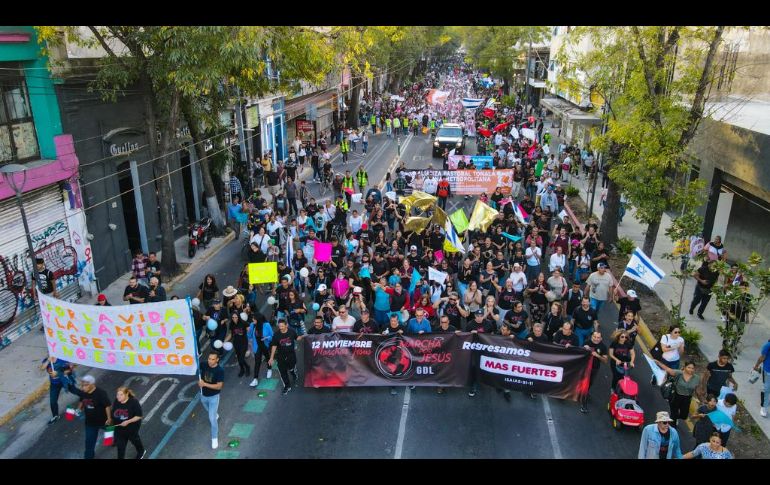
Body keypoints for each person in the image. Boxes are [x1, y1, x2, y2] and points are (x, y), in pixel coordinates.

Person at [66, 375, 112, 459]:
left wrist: (109, 418)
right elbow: (81, 399)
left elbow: (107, 406)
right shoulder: (84, 393)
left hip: (103, 421)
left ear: (92, 384)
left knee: (111, 431)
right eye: (82, 385)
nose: (83, 387)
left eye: (85, 385)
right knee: (89, 443)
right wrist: (79, 409)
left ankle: (115, 440)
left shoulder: (101, 393)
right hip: (90, 423)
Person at [655, 359, 701, 429]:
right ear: (685, 367)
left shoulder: (697, 378)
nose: (691, 370)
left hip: (687, 398)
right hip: (676, 396)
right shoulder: (679, 373)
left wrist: (701, 399)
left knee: (684, 416)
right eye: (689, 367)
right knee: (674, 413)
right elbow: (668, 370)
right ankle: (673, 426)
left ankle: (674, 418)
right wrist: (658, 363)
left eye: (692, 368)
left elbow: (697, 389)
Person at [199, 353, 225, 449]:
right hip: (203, 395)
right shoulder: (204, 364)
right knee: (208, 409)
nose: (210, 361)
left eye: (213, 359)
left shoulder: (220, 371)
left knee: (212, 419)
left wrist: (204, 384)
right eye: (209, 358)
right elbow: (194, 365)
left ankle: (214, 439)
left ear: (217, 360)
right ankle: (215, 414)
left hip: (214, 397)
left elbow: (219, 386)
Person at [112, 387, 145, 459]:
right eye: (117, 394)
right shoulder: (117, 400)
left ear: (126, 394)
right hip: (119, 429)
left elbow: (139, 416)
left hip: (131, 428)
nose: (118, 397)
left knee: (135, 441)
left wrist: (127, 421)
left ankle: (141, 451)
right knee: (120, 448)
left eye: (121, 395)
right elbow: (113, 411)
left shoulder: (133, 402)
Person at [269, 319, 300, 395]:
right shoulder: (276, 335)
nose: (281, 328)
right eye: (279, 326)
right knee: (283, 373)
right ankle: (287, 386)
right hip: (280, 357)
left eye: (282, 326)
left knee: (291, 368)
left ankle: (293, 372)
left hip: (291, 356)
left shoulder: (292, 331)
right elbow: (274, 346)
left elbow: (297, 338)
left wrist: (303, 336)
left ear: (286, 325)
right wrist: (271, 358)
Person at [41, 355, 74, 425]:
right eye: (48, 352)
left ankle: (85, 397)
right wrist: (48, 361)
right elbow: (42, 368)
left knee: (75, 391)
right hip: (54, 384)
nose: (49, 354)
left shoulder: (62, 359)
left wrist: (58, 373)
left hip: (64, 381)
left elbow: (69, 370)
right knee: (53, 401)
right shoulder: (47, 360)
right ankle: (55, 416)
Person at [581, 331, 608, 413]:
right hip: (584, 367)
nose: (596, 339)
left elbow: (605, 360)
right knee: (584, 383)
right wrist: (583, 348)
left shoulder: (603, 347)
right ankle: (583, 404)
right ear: (591, 336)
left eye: (598, 337)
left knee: (589, 383)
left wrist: (597, 355)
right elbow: (578, 352)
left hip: (594, 368)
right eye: (594, 337)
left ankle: (584, 393)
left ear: (601, 338)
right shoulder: (586, 343)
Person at [248, 313, 274, 387]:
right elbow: (249, 336)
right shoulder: (252, 325)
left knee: (267, 357)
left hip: (265, 345)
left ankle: (269, 369)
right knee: (257, 361)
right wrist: (249, 331)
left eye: (254, 319)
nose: (253, 320)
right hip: (257, 346)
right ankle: (255, 379)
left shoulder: (266, 325)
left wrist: (266, 338)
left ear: (258, 319)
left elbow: (272, 336)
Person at [753, 337, 770, 417]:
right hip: (768, 371)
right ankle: (764, 407)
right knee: (766, 389)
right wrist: (756, 366)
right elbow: (762, 357)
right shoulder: (767, 345)